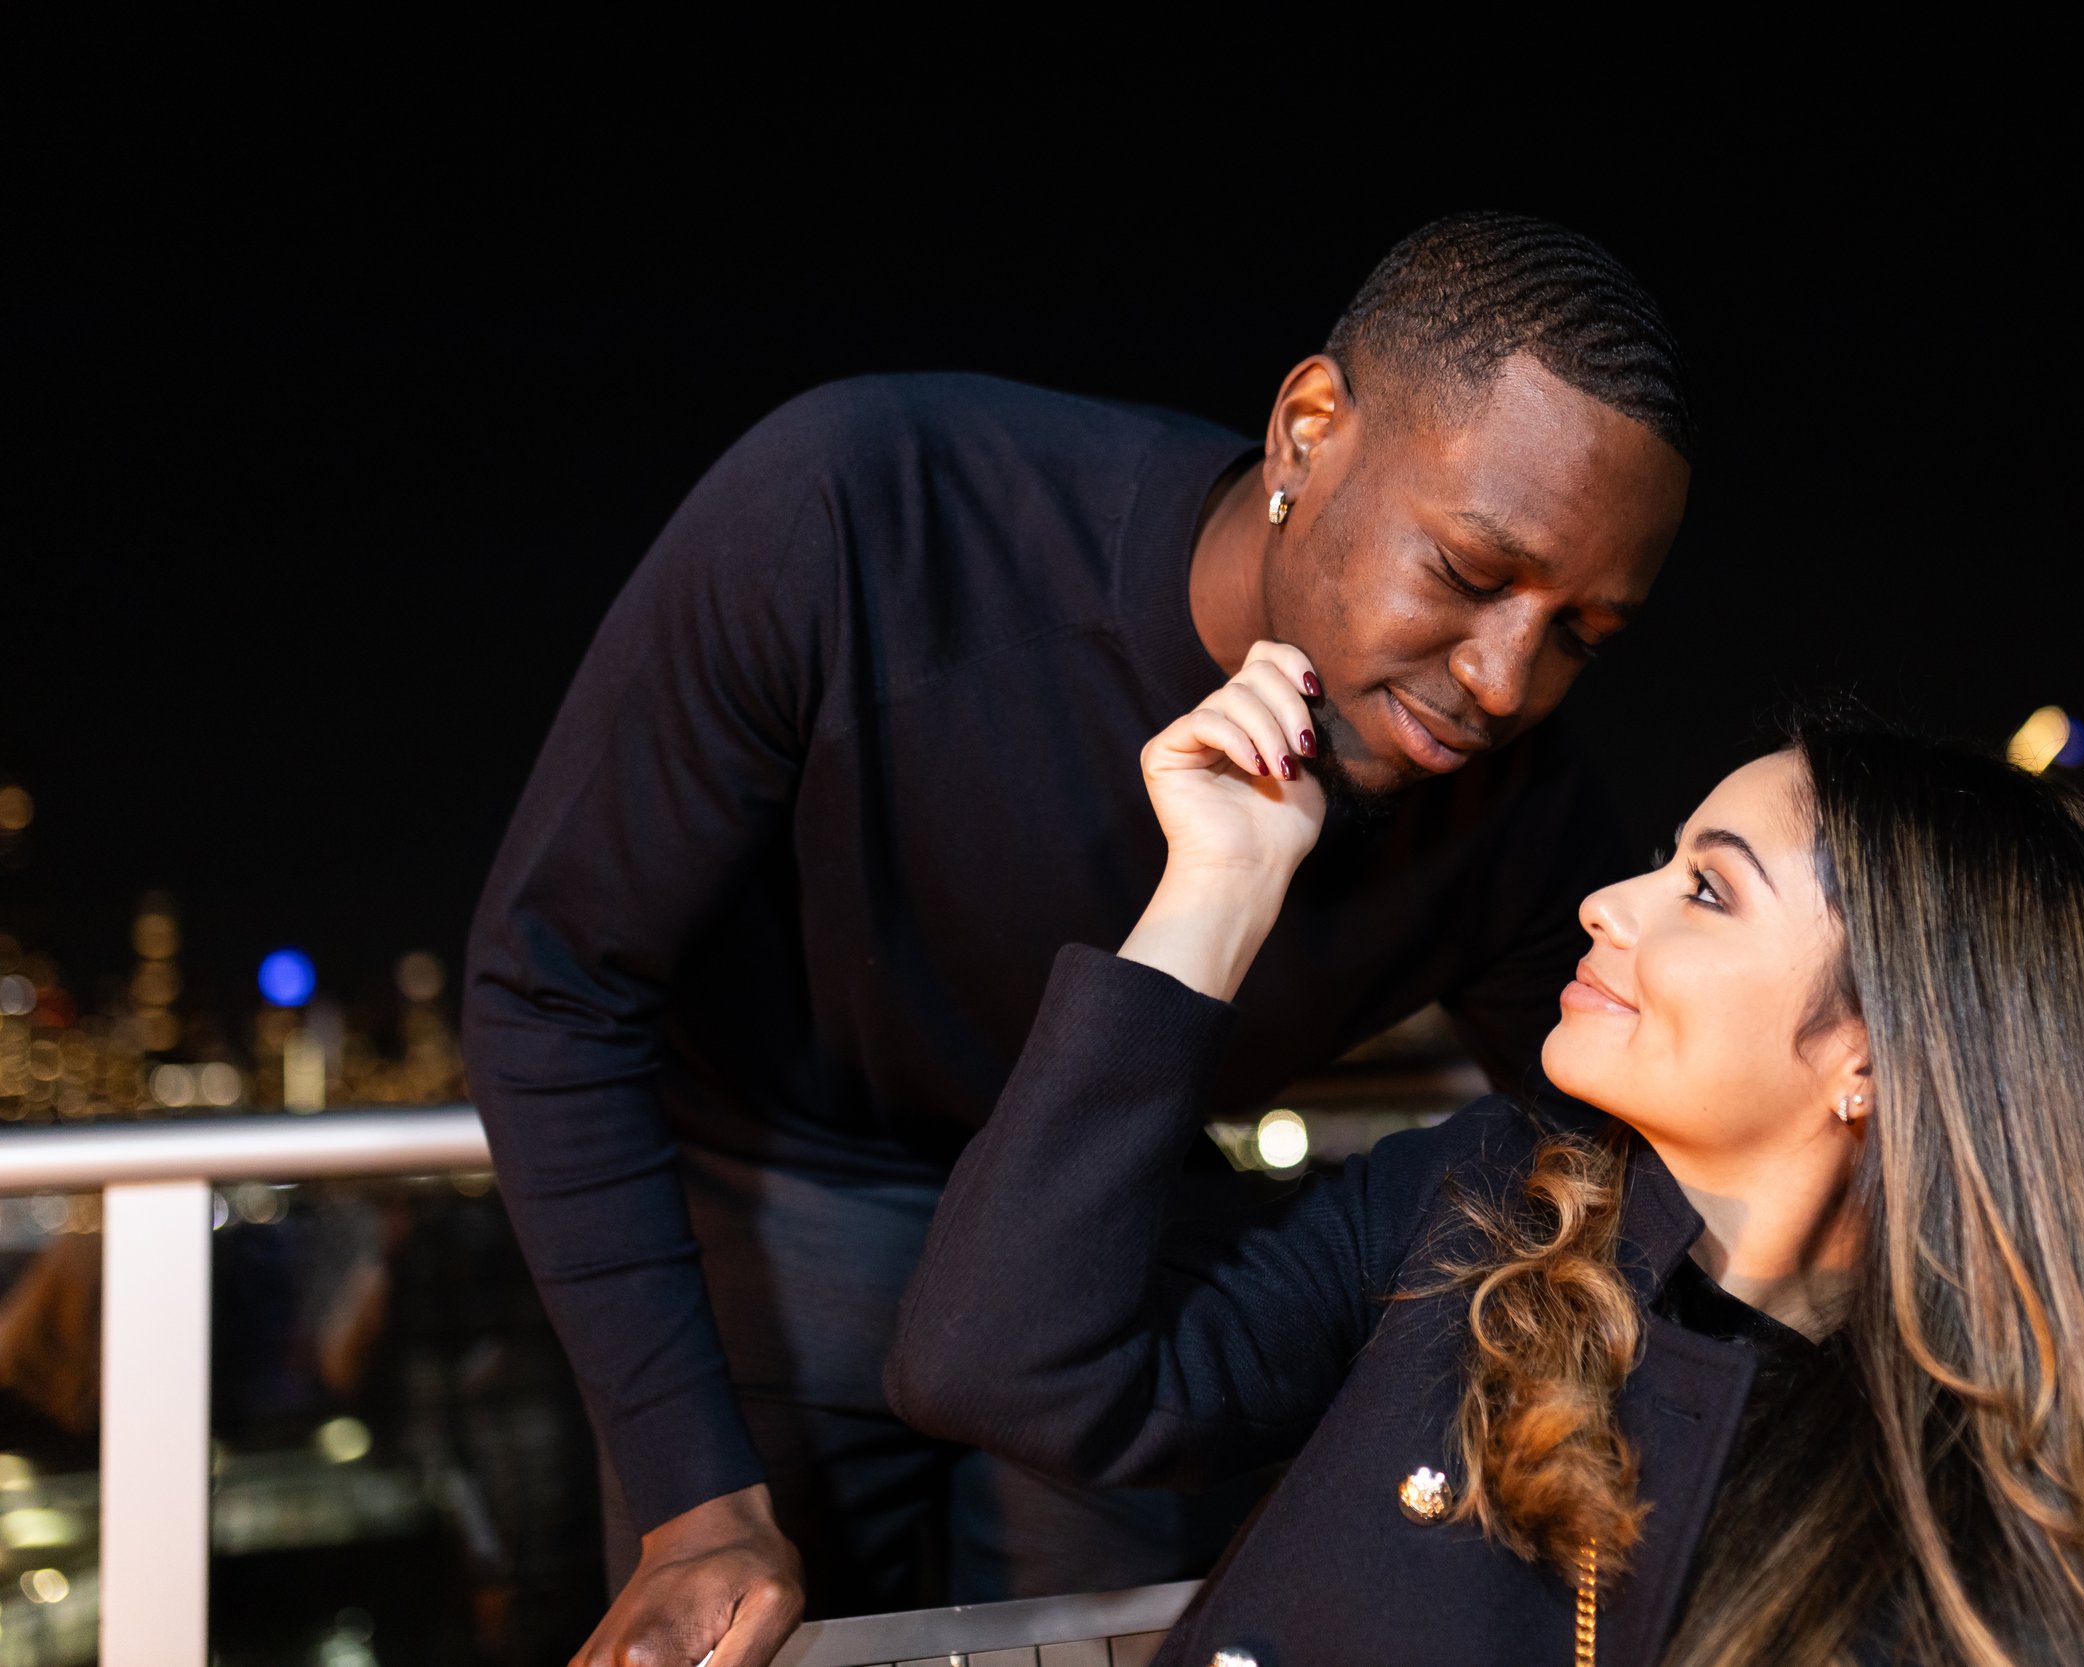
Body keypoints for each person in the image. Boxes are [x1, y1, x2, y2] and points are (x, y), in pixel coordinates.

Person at [462, 213, 1693, 1665]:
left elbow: (1641, 1140)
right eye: (1474, 573)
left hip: (1118, 1259)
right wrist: (690, 1500)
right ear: (1309, 431)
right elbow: (547, 987)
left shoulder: (1516, 809)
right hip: (768, 1234)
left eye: (1582, 637)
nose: (1505, 681)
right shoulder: (861, 510)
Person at [889, 674, 2084, 1667]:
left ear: (1874, 1054)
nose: (1605, 905)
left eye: (1706, 888)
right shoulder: (1489, 1199)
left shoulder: (1969, 1550)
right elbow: (998, 1363)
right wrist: (1216, 888)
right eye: (1662, 860)